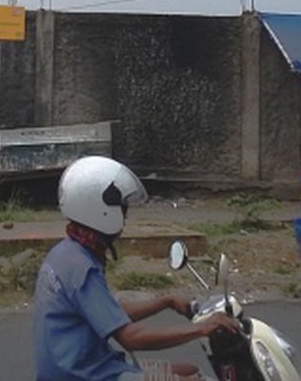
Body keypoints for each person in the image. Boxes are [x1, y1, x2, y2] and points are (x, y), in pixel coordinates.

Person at [33, 156, 241, 381]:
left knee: (189, 370)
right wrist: (203, 328)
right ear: (100, 209)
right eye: (122, 208)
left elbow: (111, 312)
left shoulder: (66, 253)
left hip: (82, 368)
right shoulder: (82, 269)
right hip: (87, 375)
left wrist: (166, 301)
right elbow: (132, 338)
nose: (125, 215)